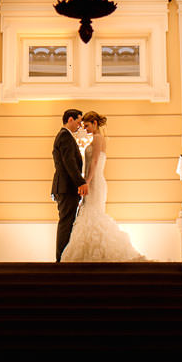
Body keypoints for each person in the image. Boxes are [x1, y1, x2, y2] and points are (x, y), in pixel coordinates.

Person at [60, 111, 147, 262]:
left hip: (95, 182)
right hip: (92, 181)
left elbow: (94, 162)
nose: (85, 129)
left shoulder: (98, 138)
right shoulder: (94, 139)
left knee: (94, 215)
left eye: (86, 126)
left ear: (94, 123)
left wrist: (86, 181)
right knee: (89, 215)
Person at [52, 108, 88, 263]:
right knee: (66, 223)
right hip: (66, 187)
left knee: (66, 221)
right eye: (79, 121)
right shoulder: (65, 136)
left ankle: (63, 257)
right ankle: (61, 259)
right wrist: (81, 182)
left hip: (64, 186)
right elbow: (69, 163)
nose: (80, 126)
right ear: (70, 119)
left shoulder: (65, 136)